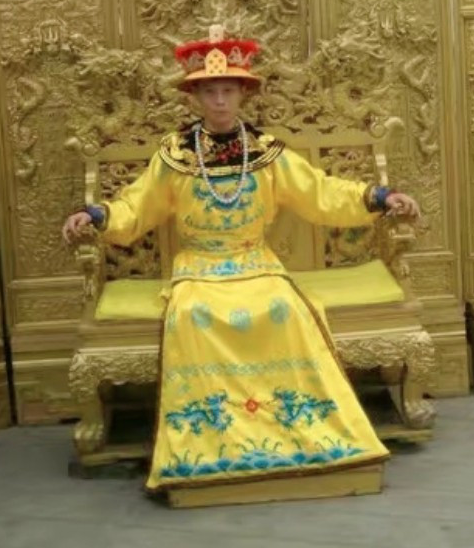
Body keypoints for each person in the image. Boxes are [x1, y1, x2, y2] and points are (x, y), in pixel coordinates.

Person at [62, 25, 421, 494]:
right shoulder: (174, 155)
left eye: (228, 90)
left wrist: (380, 197)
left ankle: (290, 432)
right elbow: (136, 206)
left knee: (287, 309)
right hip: (199, 268)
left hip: (256, 263)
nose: (219, 101)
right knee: (190, 315)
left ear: (243, 94)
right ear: (195, 97)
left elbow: (320, 192)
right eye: (210, 91)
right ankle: (209, 442)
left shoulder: (266, 153)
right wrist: (96, 215)